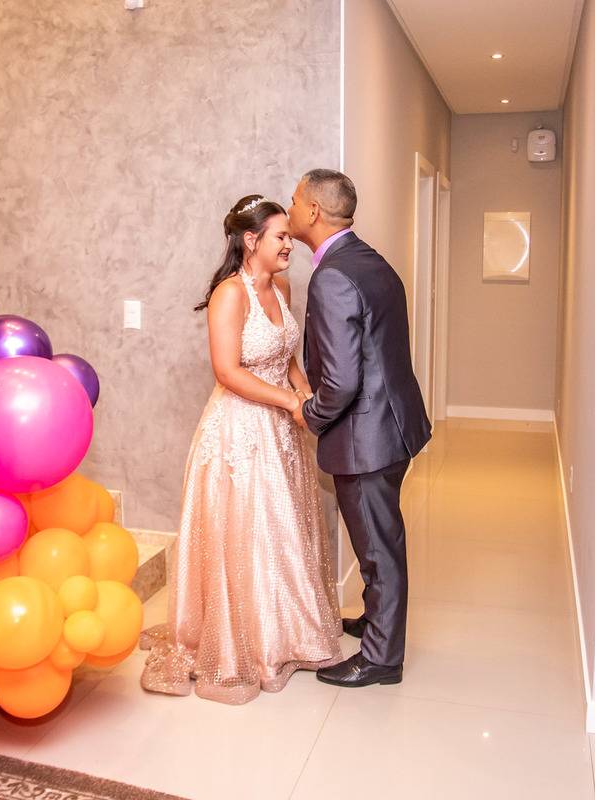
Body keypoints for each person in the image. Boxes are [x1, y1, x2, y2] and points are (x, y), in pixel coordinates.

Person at [139, 194, 343, 705]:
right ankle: (247, 643)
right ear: (251, 241)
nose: (290, 244)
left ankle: (287, 632)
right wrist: (290, 402)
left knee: (282, 530)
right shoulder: (229, 295)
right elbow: (228, 372)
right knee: (247, 533)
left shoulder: (284, 287)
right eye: (280, 236)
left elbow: (285, 355)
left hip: (281, 432)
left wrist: (306, 395)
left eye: (289, 235)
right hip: (240, 430)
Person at [286, 169, 431, 688]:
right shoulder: (370, 260)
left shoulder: (332, 276)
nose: (290, 207)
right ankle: (376, 622)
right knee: (379, 539)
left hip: (367, 437)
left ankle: (381, 659)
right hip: (394, 425)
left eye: (294, 200)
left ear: (312, 211)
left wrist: (311, 414)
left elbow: (343, 380)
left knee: (377, 549)